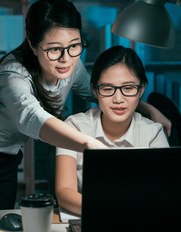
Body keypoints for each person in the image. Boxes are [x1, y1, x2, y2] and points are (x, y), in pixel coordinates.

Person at [0, 0, 170, 210]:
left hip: (5, 159)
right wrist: (89, 143)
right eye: (55, 49)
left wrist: (148, 108)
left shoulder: (71, 66)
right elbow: (34, 118)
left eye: (75, 46)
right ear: (34, 46)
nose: (66, 59)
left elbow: (99, 91)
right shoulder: (12, 77)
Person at [55, 46, 170, 216]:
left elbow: (164, 191)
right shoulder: (75, 127)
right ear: (95, 90)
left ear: (142, 89)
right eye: (108, 89)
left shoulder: (153, 133)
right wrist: (111, 210)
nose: (118, 99)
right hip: (89, 218)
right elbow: (64, 191)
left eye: (129, 88)